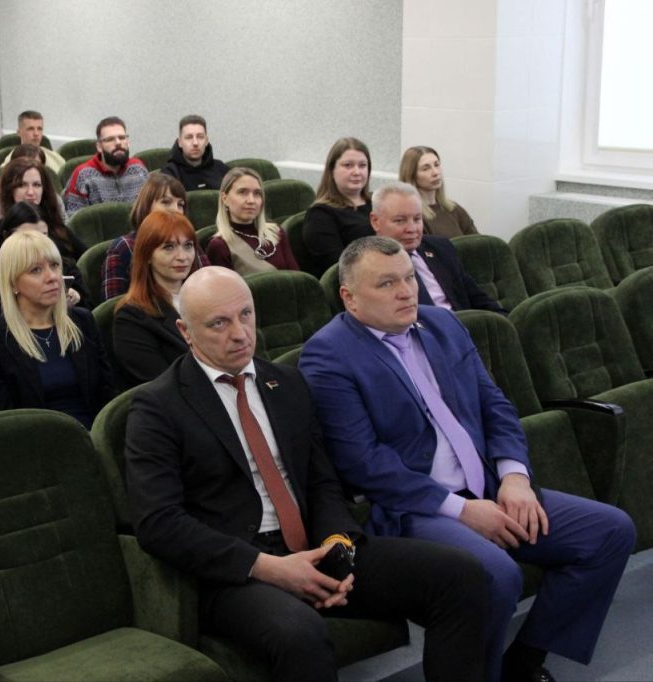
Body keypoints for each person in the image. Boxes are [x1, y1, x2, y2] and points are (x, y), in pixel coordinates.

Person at [124, 265, 489, 682]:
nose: (240, 334)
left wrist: (337, 545)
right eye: (218, 324)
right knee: (300, 633)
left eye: (246, 315)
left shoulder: (287, 383)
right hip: (236, 570)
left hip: (314, 547)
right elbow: (159, 523)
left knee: (460, 575)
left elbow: (321, 481)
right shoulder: (157, 408)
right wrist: (265, 566)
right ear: (185, 332)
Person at [299, 236, 637, 682]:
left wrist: (514, 475)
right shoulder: (328, 355)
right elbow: (363, 462)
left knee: (609, 532)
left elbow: (494, 404)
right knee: (492, 574)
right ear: (350, 297)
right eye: (386, 284)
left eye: (408, 278)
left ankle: (524, 662)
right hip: (414, 507)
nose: (406, 292)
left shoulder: (442, 323)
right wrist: (461, 510)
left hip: (490, 487)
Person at [0, 230, 113, 427]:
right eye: (36, 270)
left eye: (54, 265)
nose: (52, 277)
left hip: (93, 433)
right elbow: (4, 421)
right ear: (12, 283)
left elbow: (107, 396)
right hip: (35, 440)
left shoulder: (83, 321)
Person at [369, 182, 503, 314]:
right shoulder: (367, 264)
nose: (412, 229)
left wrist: (504, 321)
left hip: (462, 324)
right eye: (400, 220)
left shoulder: (440, 248)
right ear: (375, 221)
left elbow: (478, 298)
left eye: (417, 219)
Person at [113, 211, 198, 387]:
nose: (182, 256)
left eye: (188, 246)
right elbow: (160, 387)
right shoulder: (131, 318)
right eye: (169, 247)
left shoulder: (207, 298)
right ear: (147, 255)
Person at [100, 172, 210, 302]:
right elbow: (112, 304)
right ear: (146, 207)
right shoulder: (123, 247)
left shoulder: (187, 240)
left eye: (180, 205)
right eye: (166, 202)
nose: (176, 210)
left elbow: (209, 285)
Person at [0, 201, 88, 310]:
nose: (37, 243)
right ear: (6, 236)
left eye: (43, 236)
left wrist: (77, 299)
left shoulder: (65, 265)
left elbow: (88, 307)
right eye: (28, 237)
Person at [303, 137, 374, 277]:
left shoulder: (376, 203)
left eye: (362, 165)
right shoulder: (320, 215)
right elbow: (338, 267)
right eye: (348, 165)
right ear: (332, 170)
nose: (357, 172)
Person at [206, 167, 299, 274]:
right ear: (225, 198)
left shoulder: (276, 232)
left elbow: (297, 278)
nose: (251, 200)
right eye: (242, 192)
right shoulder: (219, 246)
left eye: (257, 193)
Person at [0, 156, 84, 258]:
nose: (31, 192)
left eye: (37, 185)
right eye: (22, 185)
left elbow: (86, 258)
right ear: (9, 190)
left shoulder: (57, 228)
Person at [63, 116, 149, 218]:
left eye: (122, 137)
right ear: (99, 146)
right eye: (110, 139)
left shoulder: (139, 169)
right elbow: (74, 220)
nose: (118, 143)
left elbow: (150, 209)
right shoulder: (83, 175)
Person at [399, 146, 479, 238]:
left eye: (436, 165)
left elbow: (479, 242)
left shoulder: (454, 209)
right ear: (411, 175)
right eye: (426, 168)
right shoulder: (412, 216)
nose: (435, 172)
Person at [160, 115, 230, 191]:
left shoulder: (221, 169)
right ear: (179, 142)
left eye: (200, 137)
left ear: (206, 141)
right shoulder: (169, 174)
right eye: (189, 137)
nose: (195, 143)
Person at [0, 111, 65, 172]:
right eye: (30, 129)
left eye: (39, 129)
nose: (36, 133)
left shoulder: (56, 158)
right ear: (19, 132)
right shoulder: (9, 163)